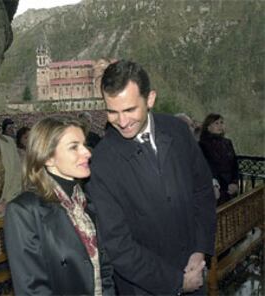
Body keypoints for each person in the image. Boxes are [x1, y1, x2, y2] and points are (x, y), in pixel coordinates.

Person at [86, 60, 216, 295]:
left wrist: (200, 249)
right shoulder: (101, 162)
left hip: (194, 271)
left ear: (151, 99)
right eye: (112, 112)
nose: (122, 122)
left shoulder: (177, 130)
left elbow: (203, 191)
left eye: (129, 110)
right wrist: (177, 282)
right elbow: (118, 245)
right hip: (145, 287)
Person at [5, 116, 114, 295]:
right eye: (74, 147)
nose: (87, 152)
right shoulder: (24, 211)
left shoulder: (86, 201)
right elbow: (32, 290)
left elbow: (105, 270)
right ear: (48, 158)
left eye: (84, 145)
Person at [199, 113, 239, 205]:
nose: (220, 125)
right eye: (216, 123)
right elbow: (206, 167)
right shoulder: (202, 144)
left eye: (221, 122)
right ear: (208, 126)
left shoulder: (228, 143)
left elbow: (234, 164)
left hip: (231, 186)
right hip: (215, 187)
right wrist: (214, 185)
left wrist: (234, 182)